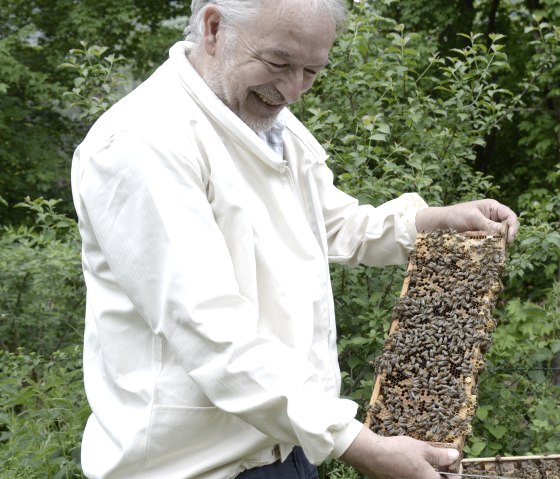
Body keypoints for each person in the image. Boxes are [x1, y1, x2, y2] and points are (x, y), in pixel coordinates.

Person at [70, 1, 519, 478]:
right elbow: (210, 329)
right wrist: (357, 442)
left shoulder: (268, 122)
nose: (292, 90)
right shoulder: (141, 143)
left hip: (289, 446)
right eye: (278, 63)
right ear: (214, 27)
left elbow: (333, 224)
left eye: (311, 70)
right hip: (195, 468)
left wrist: (429, 222)